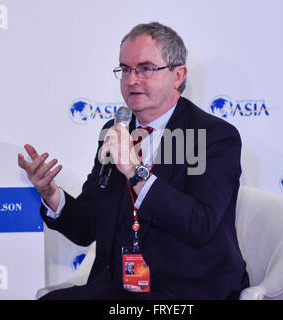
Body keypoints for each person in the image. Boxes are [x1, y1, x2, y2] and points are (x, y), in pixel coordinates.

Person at [18, 22, 249, 300]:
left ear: (178, 75)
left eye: (146, 68)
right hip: (121, 285)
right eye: (125, 69)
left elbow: (199, 225)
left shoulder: (215, 136)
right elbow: (88, 228)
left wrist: (135, 172)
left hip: (187, 287)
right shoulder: (115, 130)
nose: (132, 80)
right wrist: (51, 194)